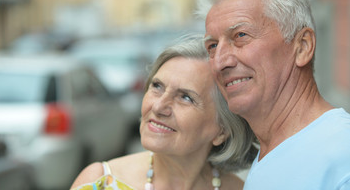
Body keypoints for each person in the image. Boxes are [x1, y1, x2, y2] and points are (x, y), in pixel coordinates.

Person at [197, 0, 350, 189]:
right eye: (212, 46)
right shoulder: (273, 152)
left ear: (302, 47)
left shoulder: (341, 158)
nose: (220, 62)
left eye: (240, 35)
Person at [70, 35, 257, 190]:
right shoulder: (99, 182)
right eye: (157, 86)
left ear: (222, 130)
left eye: (185, 97)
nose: (158, 107)